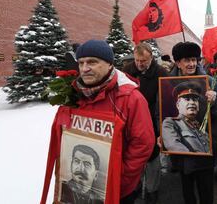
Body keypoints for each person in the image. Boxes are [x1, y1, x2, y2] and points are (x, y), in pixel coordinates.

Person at [73, 40, 155, 204]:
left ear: (110, 64)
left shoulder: (131, 98)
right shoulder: (76, 95)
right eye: (81, 63)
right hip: (83, 187)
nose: (85, 68)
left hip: (119, 189)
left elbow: (143, 144)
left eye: (92, 62)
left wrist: (121, 177)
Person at [168, 41, 217, 204]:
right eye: (187, 60)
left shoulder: (210, 81)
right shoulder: (167, 83)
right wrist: (162, 134)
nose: (192, 63)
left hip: (205, 148)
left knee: (206, 191)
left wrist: (215, 102)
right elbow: (161, 112)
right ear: (178, 62)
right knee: (187, 191)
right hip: (181, 150)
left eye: (194, 59)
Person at [122, 42, 168, 204]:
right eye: (137, 60)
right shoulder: (127, 71)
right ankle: (134, 187)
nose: (140, 64)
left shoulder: (161, 73)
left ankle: (152, 191)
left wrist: (163, 130)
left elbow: (166, 102)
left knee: (153, 160)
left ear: (151, 58)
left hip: (152, 124)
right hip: (131, 123)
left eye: (144, 61)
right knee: (133, 157)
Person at [162, 81, 210, 153]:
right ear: (178, 105)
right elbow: (173, 145)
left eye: (195, 100)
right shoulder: (170, 123)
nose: (192, 102)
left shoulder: (201, 129)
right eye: (187, 99)